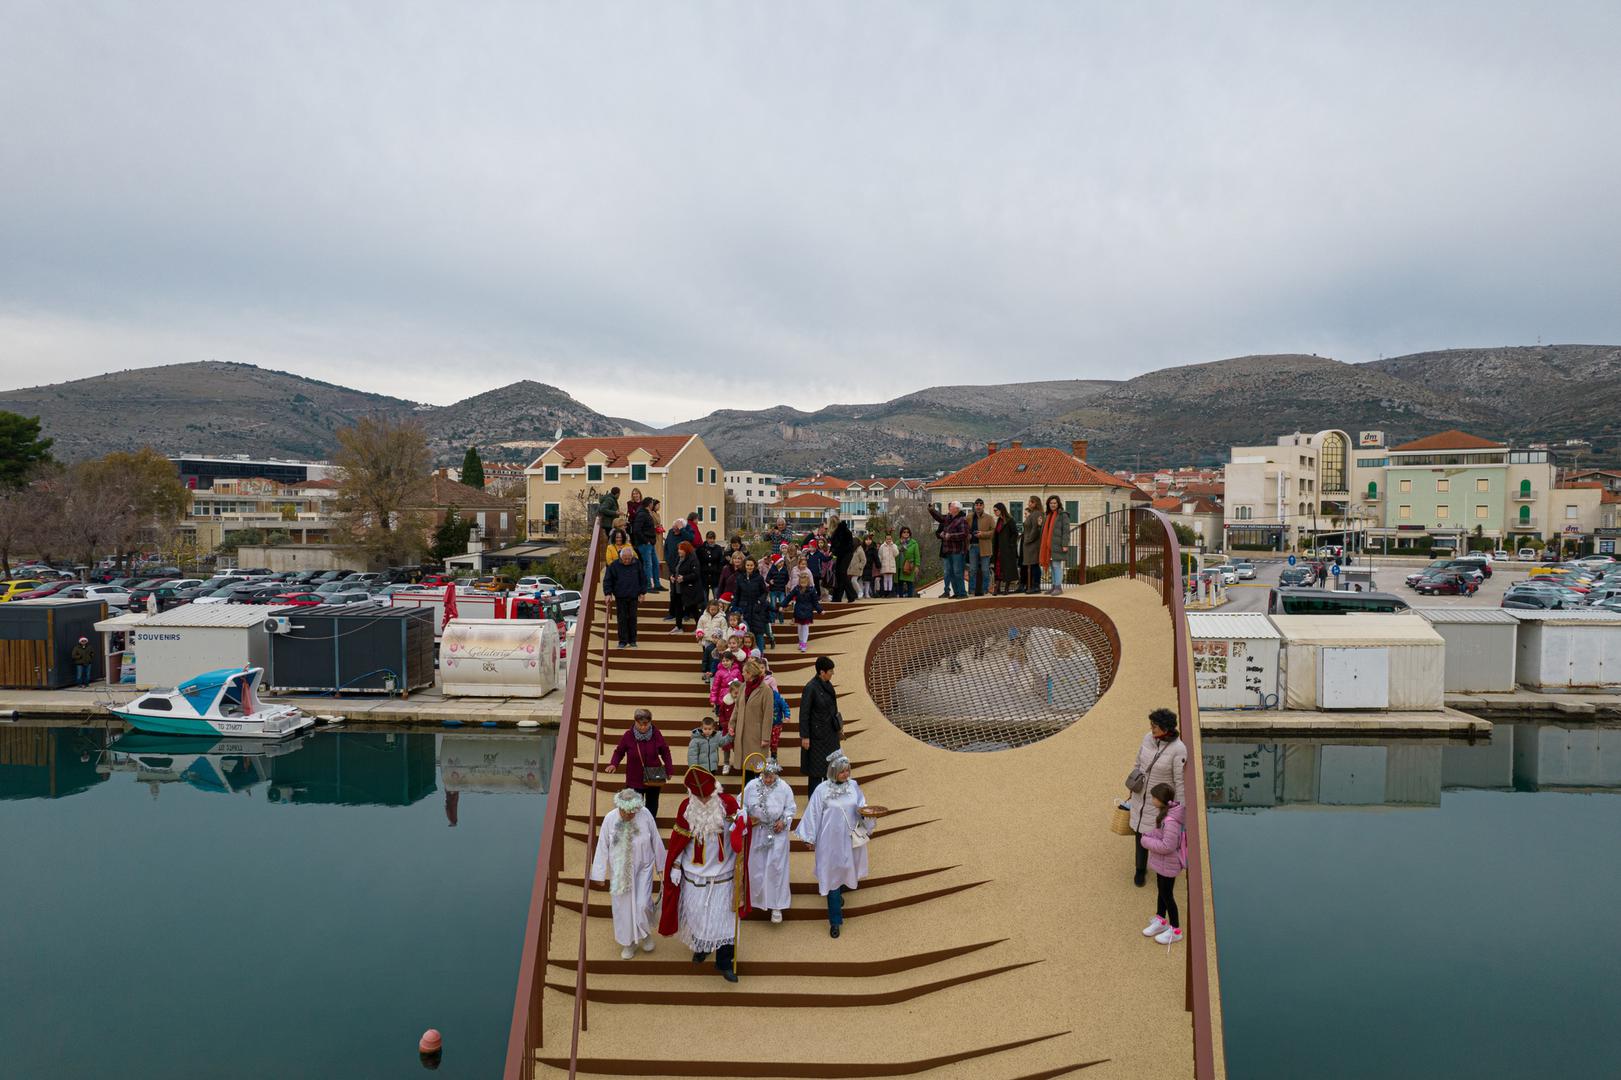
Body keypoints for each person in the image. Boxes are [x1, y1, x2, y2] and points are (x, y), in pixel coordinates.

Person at [658, 766, 749, 981]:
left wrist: (741, 823)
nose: (704, 801)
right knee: (697, 914)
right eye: (699, 797)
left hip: (723, 874)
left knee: (725, 919)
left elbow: (741, 836)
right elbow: (678, 842)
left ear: (715, 790)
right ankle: (702, 948)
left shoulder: (729, 804)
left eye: (707, 796)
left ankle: (724, 963)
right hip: (694, 873)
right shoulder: (686, 808)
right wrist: (676, 866)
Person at [795, 751, 874, 938]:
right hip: (829, 842)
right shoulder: (822, 790)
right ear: (833, 772)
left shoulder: (854, 786)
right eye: (842, 771)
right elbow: (813, 813)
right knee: (831, 877)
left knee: (846, 870)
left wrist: (867, 815)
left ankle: (838, 895)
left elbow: (861, 805)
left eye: (848, 770)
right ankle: (835, 921)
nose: (846, 774)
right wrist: (809, 837)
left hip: (849, 840)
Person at [589, 788, 666, 958]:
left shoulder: (645, 814)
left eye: (632, 812)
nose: (629, 815)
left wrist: (662, 867)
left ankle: (645, 935)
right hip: (620, 873)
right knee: (623, 909)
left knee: (643, 904)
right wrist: (599, 873)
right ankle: (628, 943)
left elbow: (656, 838)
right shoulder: (610, 818)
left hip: (643, 868)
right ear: (620, 807)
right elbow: (602, 846)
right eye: (626, 812)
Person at [1125, 708, 1187, 887]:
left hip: (1158, 800)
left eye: (1155, 726)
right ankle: (1140, 869)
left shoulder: (1178, 749)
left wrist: (1179, 808)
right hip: (1140, 794)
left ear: (1166, 728)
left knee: (1152, 833)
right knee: (1138, 831)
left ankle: (1159, 868)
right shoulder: (1147, 738)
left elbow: (1179, 781)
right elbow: (1138, 761)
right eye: (1151, 725)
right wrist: (1133, 782)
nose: (1151, 729)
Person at [744, 761, 798, 923]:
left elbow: (791, 808)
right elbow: (742, 805)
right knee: (756, 866)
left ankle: (777, 906)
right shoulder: (752, 785)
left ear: (776, 774)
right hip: (757, 831)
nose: (768, 779)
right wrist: (746, 817)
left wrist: (784, 821)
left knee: (777, 868)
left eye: (771, 776)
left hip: (777, 833)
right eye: (765, 776)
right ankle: (754, 900)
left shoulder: (784, 788)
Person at [1139, 782, 1186, 946]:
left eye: (1154, 797)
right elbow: (1159, 833)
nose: (1152, 800)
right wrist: (1148, 834)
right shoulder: (1165, 815)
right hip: (1163, 863)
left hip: (1169, 863)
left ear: (1160, 799)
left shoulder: (1171, 821)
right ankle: (1161, 919)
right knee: (1162, 891)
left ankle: (1176, 929)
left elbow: (1168, 846)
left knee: (1168, 895)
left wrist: (1146, 841)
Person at [606, 708, 675, 817]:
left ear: (650, 722)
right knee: (633, 805)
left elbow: (665, 751)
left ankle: (650, 826)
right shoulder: (628, 735)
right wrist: (613, 764)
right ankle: (635, 827)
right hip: (634, 778)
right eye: (640, 724)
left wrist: (669, 769)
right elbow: (619, 752)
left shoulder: (656, 734)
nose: (643, 727)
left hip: (653, 776)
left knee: (652, 804)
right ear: (635, 722)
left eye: (646, 724)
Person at [799, 656, 843, 797]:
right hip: (816, 737)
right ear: (822, 672)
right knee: (816, 772)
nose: (832, 673)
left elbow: (834, 709)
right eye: (830, 671)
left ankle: (831, 798)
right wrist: (805, 736)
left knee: (832, 768)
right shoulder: (810, 688)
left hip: (830, 734)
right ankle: (814, 802)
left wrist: (839, 726)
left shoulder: (828, 685)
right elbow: (804, 713)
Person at [733, 658, 774, 770]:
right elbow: (737, 707)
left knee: (756, 768)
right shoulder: (743, 686)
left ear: (750, 674)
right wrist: (732, 724)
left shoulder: (766, 690)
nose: (742, 673)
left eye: (744, 672)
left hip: (757, 735)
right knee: (745, 768)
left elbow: (768, 715)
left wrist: (766, 737)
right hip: (742, 732)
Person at [710, 649, 744, 773]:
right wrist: (714, 699)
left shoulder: (737, 671)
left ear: (732, 661)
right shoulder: (719, 673)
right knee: (726, 744)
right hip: (723, 698)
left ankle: (738, 762)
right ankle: (726, 763)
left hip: (736, 698)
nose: (725, 662)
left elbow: (742, 684)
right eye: (723, 660)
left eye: (727, 660)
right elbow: (715, 687)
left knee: (737, 743)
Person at [604, 545, 644, 649]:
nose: (627, 560)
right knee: (622, 619)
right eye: (625, 558)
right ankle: (622, 641)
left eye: (629, 558)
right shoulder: (614, 565)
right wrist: (608, 593)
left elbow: (642, 578)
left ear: (632, 557)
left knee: (632, 618)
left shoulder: (637, 564)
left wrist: (642, 593)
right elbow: (608, 580)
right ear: (621, 557)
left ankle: (633, 640)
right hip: (620, 596)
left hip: (634, 595)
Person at [929, 501, 971, 598]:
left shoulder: (962, 520)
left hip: (958, 551)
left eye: (951, 506)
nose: (949, 508)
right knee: (951, 572)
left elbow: (964, 534)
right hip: (948, 550)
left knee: (957, 572)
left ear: (956, 509)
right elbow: (940, 518)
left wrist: (950, 536)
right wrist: (931, 510)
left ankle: (962, 593)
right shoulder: (948, 518)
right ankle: (956, 593)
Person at [733, 556, 772, 643]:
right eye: (748, 565)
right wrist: (735, 608)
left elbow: (765, 592)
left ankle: (760, 654)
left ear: (754, 566)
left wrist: (759, 601)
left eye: (751, 565)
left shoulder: (759, 578)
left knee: (758, 633)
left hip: (756, 609)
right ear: (745, 566)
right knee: (745, 633)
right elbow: (737, 594)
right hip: (744, 608)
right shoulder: (740, 578)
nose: (749, 567)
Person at [1039, 495, 1071, 596]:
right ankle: (1053, 586)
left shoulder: (1063, 515)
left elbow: (1066, 531)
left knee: (1056, 566)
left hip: (1058, 545)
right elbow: (1046, 531)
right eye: (1051, 503)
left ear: (1058, 504)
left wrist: (1065, 544)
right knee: (1052, 566)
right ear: (1048, 504)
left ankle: (1058, 587)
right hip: (1049, 546)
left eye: (1055, 503)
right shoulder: (1047, 515)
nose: (1053, 505)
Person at [670, 540, 704, 633]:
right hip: (677, 588)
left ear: (686, 550)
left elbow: (696, 574)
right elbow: (675, 570)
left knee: (693, 608)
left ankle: (699, 627)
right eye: (678, 549)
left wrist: (684, 578)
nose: (679, 551)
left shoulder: (693, 559)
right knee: (678, 608)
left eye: (681, 549)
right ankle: (678, 626)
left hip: (689, 589)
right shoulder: (678, 558)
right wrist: (672, 576)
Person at [784, 573, 822, 651]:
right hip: (798, 610)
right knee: (799, 627)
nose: (803, 584)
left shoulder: (811, 590)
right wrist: (782, 605)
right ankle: (801, 641)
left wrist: (820, 610)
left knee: (805, 627)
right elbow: (789, 597)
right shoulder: (796, 589)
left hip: (808, 610)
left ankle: (804, 643)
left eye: (804, 583)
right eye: (801, 582)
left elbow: (815, 602)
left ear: (808, 582)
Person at [631, 497, 660, 593]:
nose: (653, 505)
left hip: (650, 543)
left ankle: (657, 584)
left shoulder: (647, 513)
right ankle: (647, 585)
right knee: (648, 564)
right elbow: (636, 530)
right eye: (652, 503)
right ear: (649, 504)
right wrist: (645, 540)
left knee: (655, 563)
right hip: (644, 544)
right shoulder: (642, 514)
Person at [695, 599, 728, 681]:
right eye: (711, 609)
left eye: (715, 610)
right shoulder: (703, 617)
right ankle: (706, 673)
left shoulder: (722, 618)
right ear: (708, 608)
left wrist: (721, 640)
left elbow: (724, 630)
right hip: (706, 640)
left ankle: (713, 673)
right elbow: (699, 627)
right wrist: (699, 634)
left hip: (717, 643)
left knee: (714, 658)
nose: (713, 611)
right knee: (706, 657)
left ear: (718, 609)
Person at [968, 498, 994, 596]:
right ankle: (971, 591)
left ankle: (986, 590)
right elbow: (965, 529)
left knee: (985, 570)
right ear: (974, 506)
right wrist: (968, 535)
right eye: (976, 505)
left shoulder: (989, 518)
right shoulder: (969, 517)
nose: (978, 507)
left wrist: (982, 534)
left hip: (985, 547)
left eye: (980, 505)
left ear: (983, 506)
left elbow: (993, 532)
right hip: (972, 547)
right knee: (972, 570)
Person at [991, 503, 1019, 595]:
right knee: (998, 568)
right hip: (999, 549)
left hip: (1007, 550)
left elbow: (1015, 533)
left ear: (1001, 510)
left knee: (1007, 569)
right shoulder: (999, 520)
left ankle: (1006, 588)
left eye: (996, 510)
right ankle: (997, 588)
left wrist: (1010, 545)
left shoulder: (1010, 520)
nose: (994, 512)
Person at [829, 514, 857, 602]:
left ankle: (852, 594)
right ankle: (838, 597)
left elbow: (841, 545)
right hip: (843, 554)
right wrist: (833, 550)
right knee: (839, 574)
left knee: (842, 573)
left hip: (846, 554)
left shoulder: (841, 531)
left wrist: (833, 551)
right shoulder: (840, 531)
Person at [1020, 496, 1045, 593]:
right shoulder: (1034, 514)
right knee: (1033, 565)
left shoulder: (1037, 514)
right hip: (1030, 544)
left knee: (1035, 564)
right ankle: (1033, 586)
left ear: (1036, 503)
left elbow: (1035, 529)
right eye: (1029, 502)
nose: (1029, 504)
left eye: (1032, 502)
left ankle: (1036, 586)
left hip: (1033, 544)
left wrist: (1028, 540)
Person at [698, 530, 727, 602]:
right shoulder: (701, 549)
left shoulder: (718, 548)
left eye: (713, 538)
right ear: (706, 538)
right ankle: (704, 611)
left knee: (717, 597)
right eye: (710, 538)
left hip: (715, 576)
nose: (711, 540)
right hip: (704, 576)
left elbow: (721, 561)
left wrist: (719, 571)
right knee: (704, 599)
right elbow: (698, 561)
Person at [894, 526, 920, 598]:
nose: (906, 533)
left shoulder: (914, 543)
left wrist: (917, 566)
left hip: (909, 565)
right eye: (904, 532)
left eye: (907, 532)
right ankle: (900, 598)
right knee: (900, 583)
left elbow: (917, 555)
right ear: (901, 533)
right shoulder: (897, 543)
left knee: (909, 583)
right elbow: (894, 552)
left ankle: (910, 598)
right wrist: (900, 545)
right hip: (899, 565)